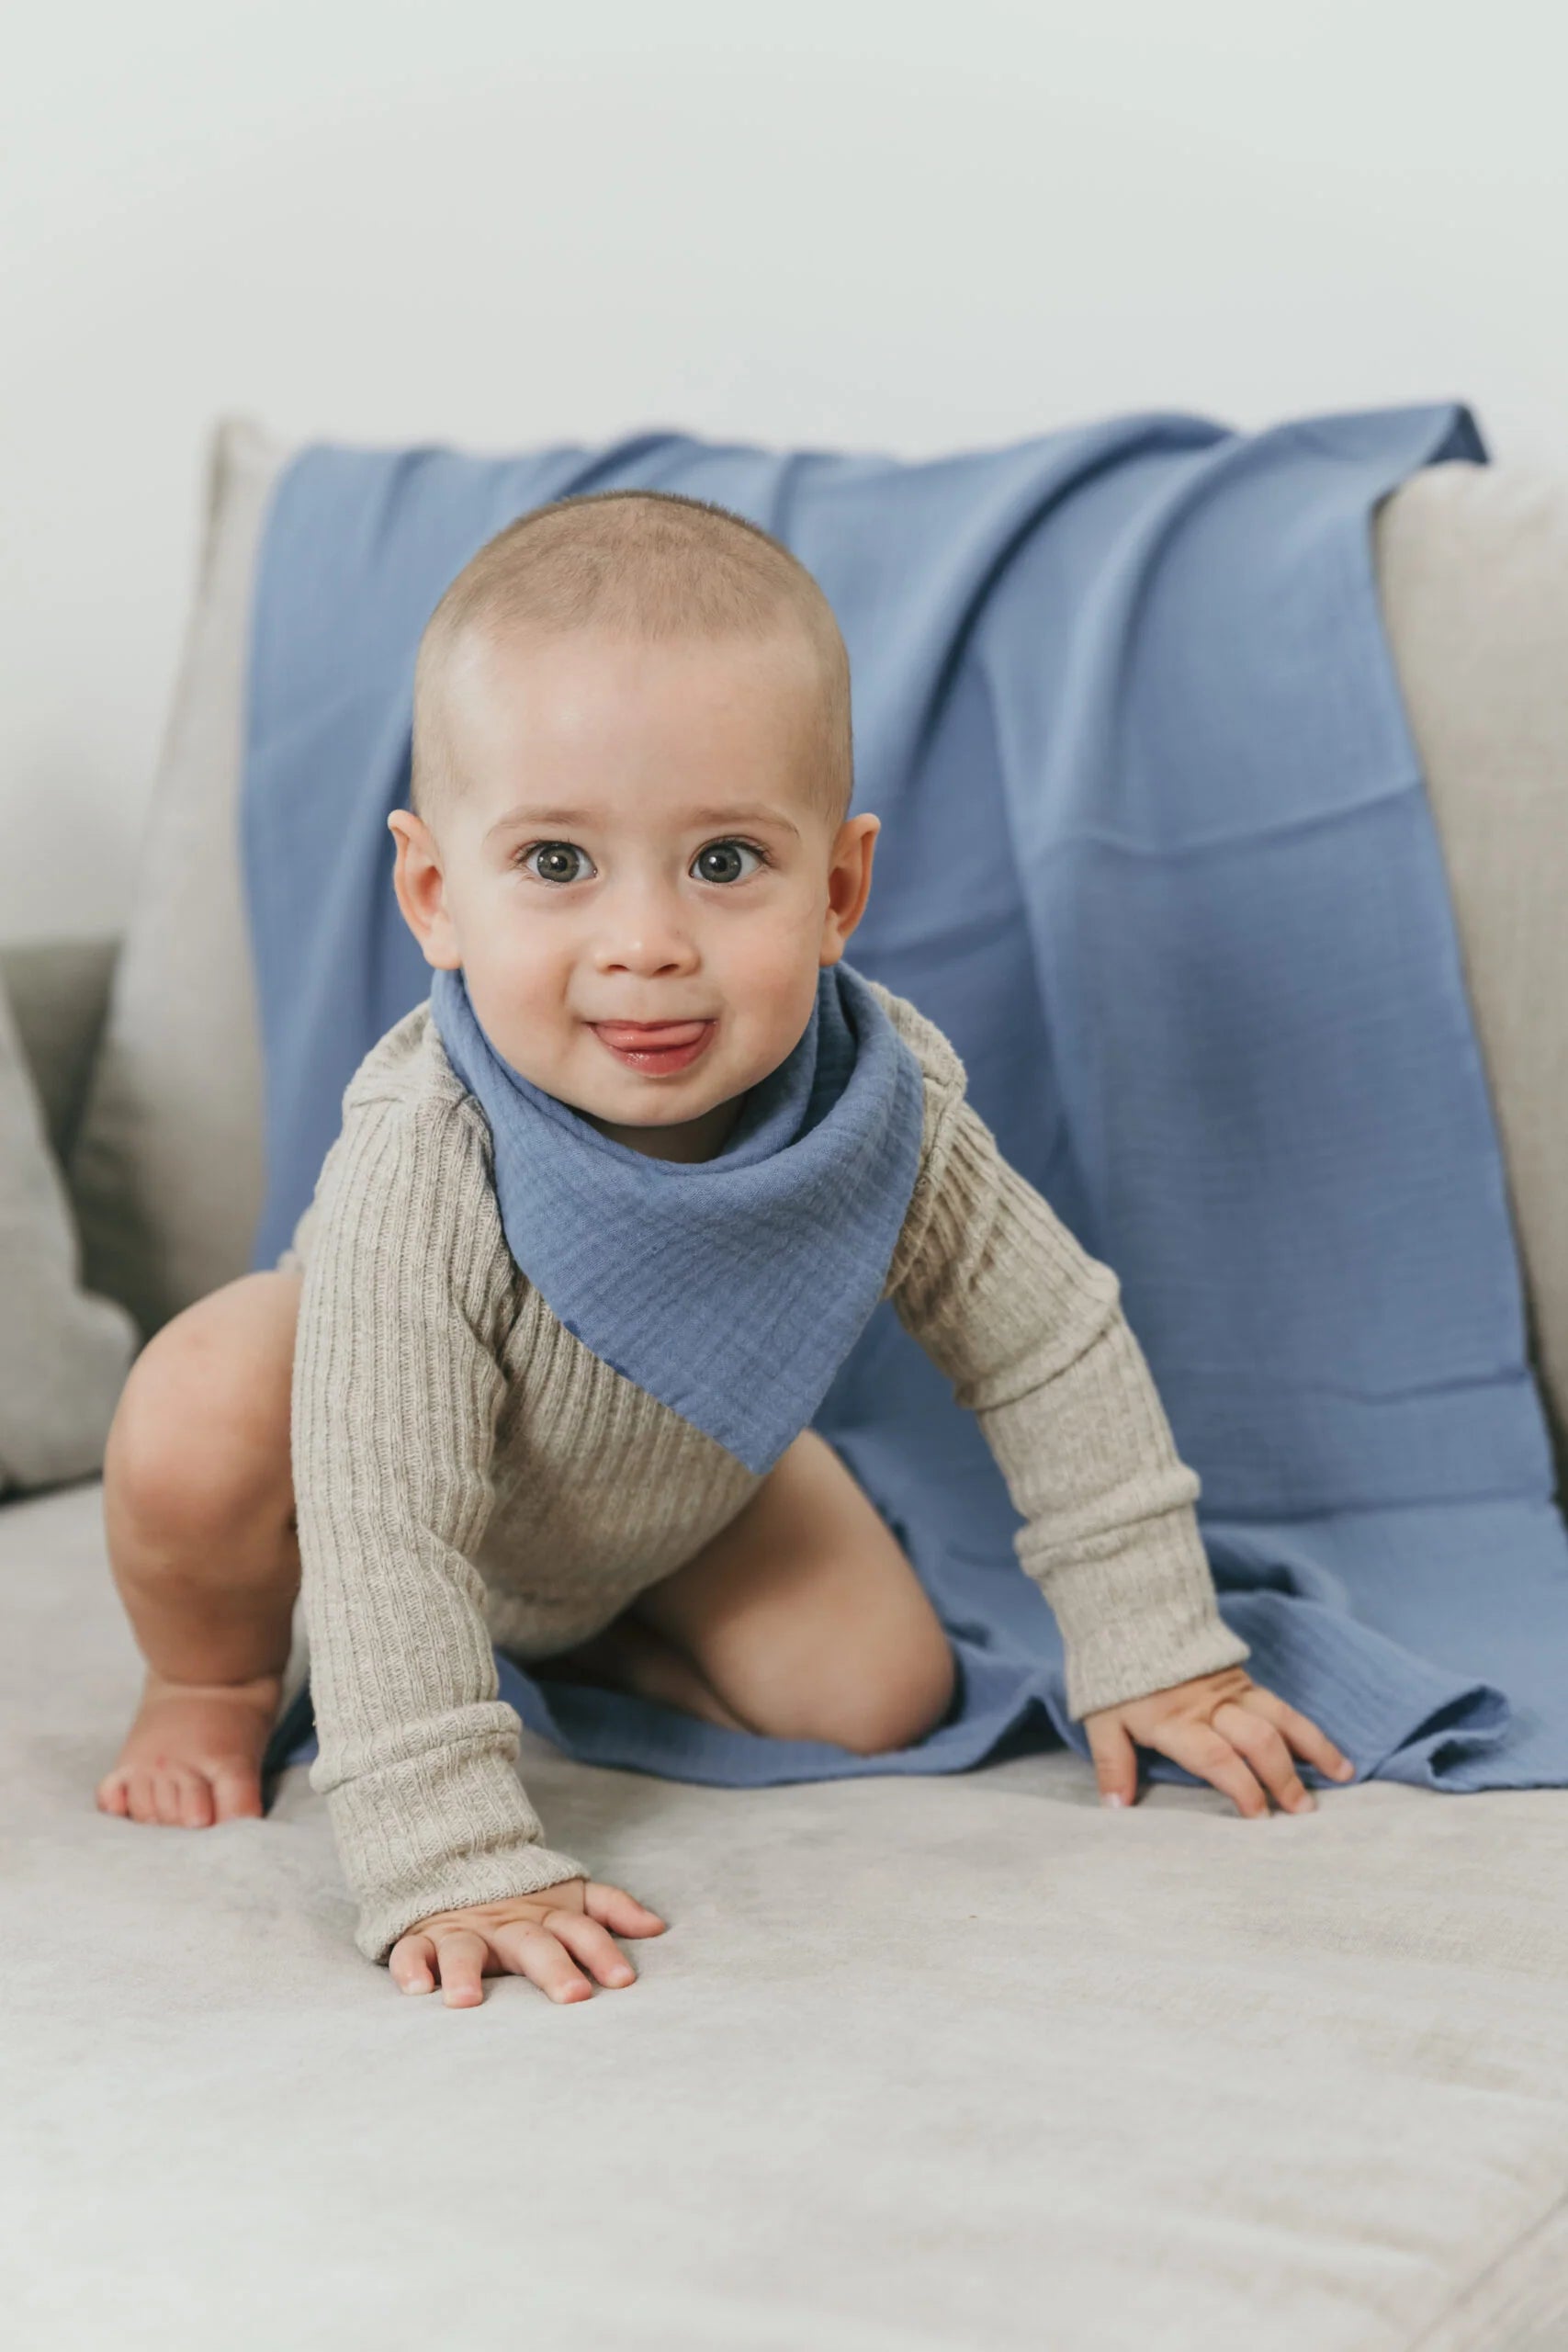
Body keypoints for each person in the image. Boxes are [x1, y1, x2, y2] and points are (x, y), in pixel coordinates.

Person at [95, 489, 1353, 2007]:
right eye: (557, 863)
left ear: (838, 891)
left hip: (672, 1485)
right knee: (201, 1399)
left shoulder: (885, 1105)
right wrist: (450, 1849)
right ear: (436, 896)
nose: (647, 943)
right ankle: (213, 1675)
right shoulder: (427, 1152)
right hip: (376, 1480)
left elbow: (1046, 1341)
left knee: (882, 1698)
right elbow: (389, 1514)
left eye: (725, 862)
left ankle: (578, 1651)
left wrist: (1159, 1646)